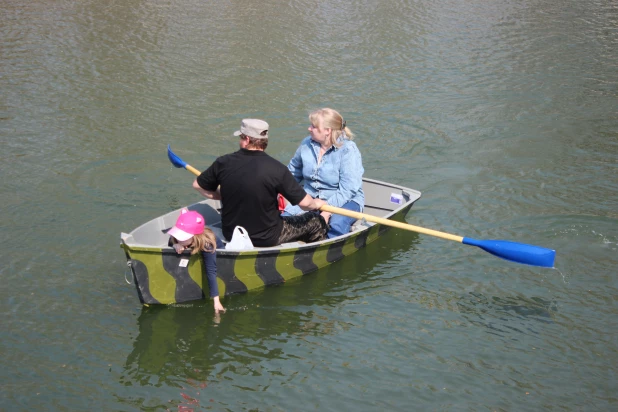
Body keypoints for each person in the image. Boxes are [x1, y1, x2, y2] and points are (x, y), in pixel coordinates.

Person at [192, 119, 328, 247]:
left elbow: (197, 185)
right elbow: (305, 205)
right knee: (315, 221)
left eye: (240, 137)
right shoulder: (277, 169)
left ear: (246, 139)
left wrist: (222, 195)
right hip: (267, 237)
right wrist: (317, 203)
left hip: (231, 233)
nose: (240, 141)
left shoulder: (223, 162)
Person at [283, 108, 364, 238]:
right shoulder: (306, 144)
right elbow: (292, 173)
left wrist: (327, 209)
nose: (309, 129)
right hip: (311, 199)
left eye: (314, 126)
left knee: (336, 223)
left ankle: (328, 250)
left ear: (327, 131)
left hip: (345, 200)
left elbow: (348, 189)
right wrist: (278, 189)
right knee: (285, 220)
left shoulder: (348, 150)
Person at [167, 208, 225, 314]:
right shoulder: (178, 239)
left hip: (217, 255)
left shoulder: (207, 244)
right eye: (178, 236)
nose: (179, 239)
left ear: (195, 237)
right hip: (196, 248)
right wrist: (175, 244)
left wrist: (216, 301)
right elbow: (171, 240)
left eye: (182, 237)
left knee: (209, 267)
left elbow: (211, 271)